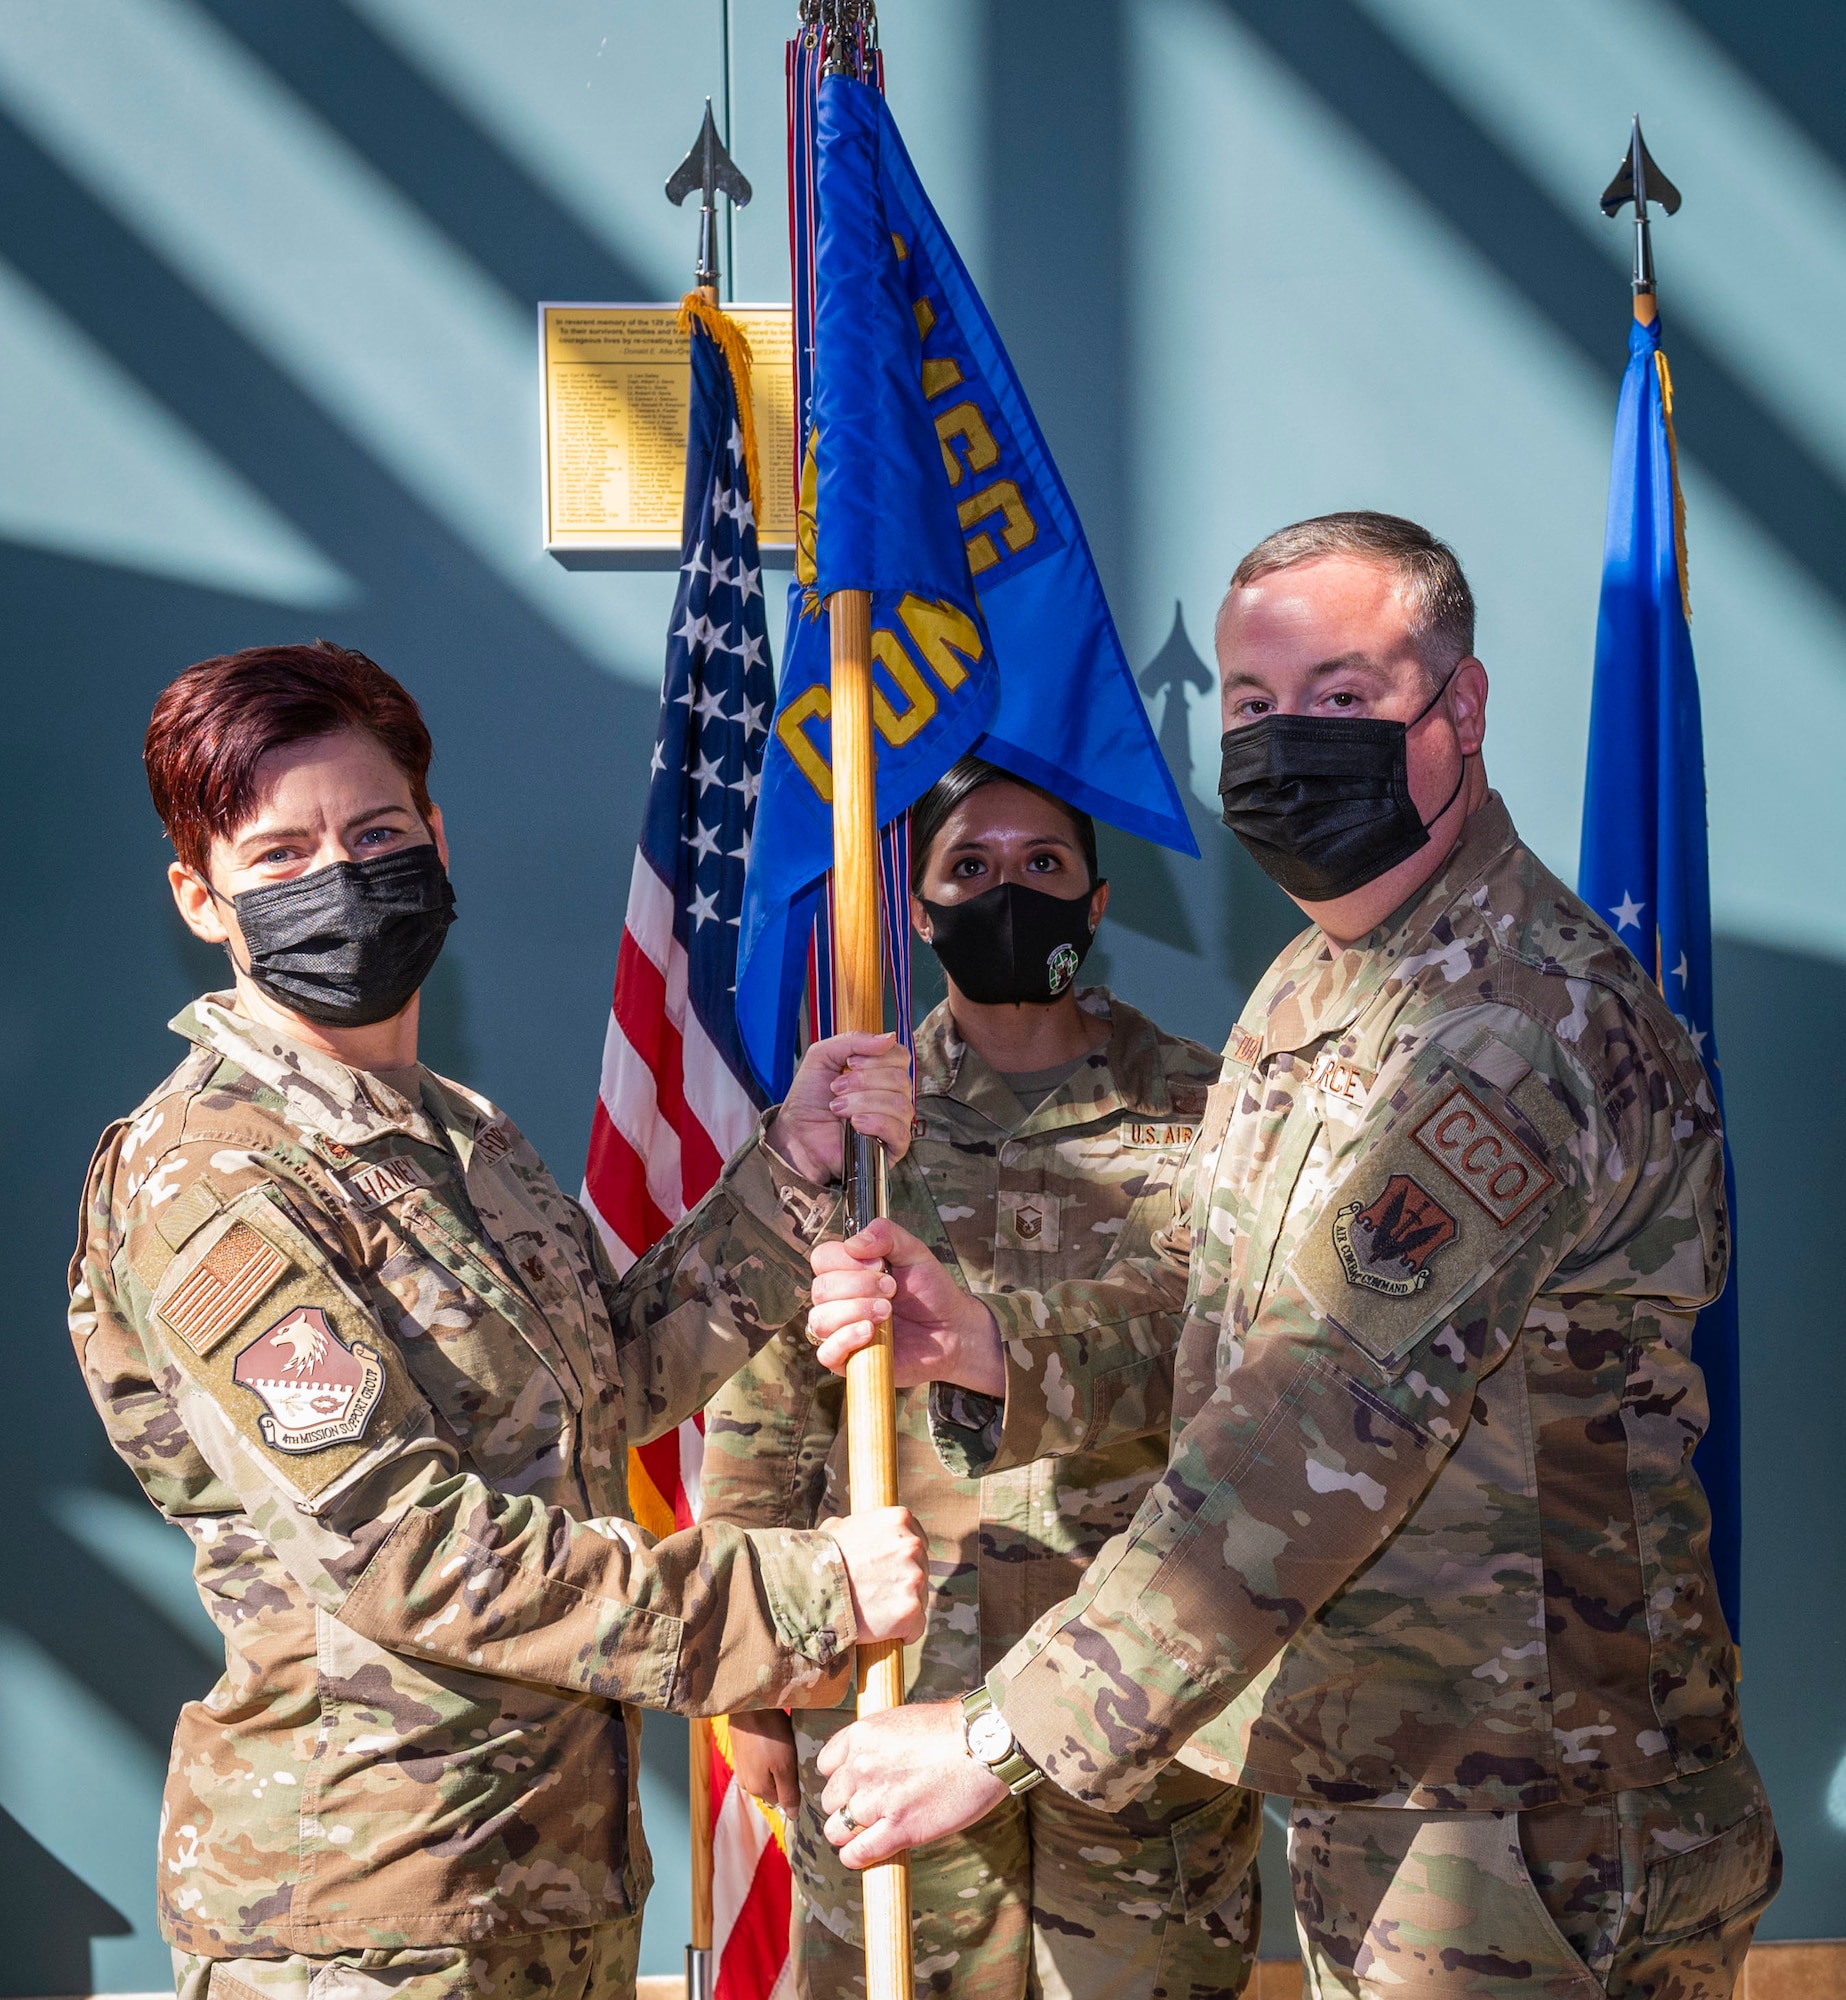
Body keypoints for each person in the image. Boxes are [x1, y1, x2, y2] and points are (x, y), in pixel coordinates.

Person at [802, 515, 1781, 1999]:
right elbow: (1220, 1310)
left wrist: (1002, 1735)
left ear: (1455, 709)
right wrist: (991, 1346)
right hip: (1393, 1786)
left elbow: (1321, 1413)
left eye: (1339, 697)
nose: (1282, 742)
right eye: (1253, 708)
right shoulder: (1317, 984)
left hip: (1537, 1805)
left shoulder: (1503, 1025)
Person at [67, 641, 929, 2000]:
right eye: (280, 856)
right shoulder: (214, 1179)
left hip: (541, 1884)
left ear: (436, 840)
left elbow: (612, 1382)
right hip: (365, 1917)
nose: (341, 879)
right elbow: (405, 1551)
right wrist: (802, 1595)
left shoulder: (460, 1138)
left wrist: (792, 1174)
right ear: (199, 897)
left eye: (375, 833)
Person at [700, 757, 1263, 2000]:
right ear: (917, 908)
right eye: (971, 868)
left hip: (1138, 1679)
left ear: (1098, 902)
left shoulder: (1213, 1111)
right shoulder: (850, 1125)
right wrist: (755, 1670)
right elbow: (762, 1405)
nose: (1009, 890)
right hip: (901, 1674)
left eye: (1043, 866)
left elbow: (1253, 1373)